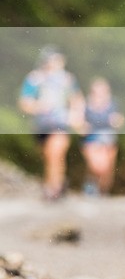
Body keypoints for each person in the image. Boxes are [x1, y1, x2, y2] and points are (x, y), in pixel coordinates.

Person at [18, 46, 85, 201]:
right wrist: (38, 106)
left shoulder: (67, 79)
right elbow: (24, 102)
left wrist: (78, 117)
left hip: (61, 123)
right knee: (49, 157)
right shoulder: (35, 78)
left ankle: (52, 188)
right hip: (41, 125)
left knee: (54, 153)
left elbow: (77, 99)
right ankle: (58, 183)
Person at [80, 77, 125, 195]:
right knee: (96, 166)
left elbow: (120, 120)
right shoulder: (85, 104)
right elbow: (79, 122)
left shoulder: (113, 104)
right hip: (91, 138)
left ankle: (102, 190)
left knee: (107, 169)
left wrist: (117, 121)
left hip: (108, 139)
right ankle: (91, 186)